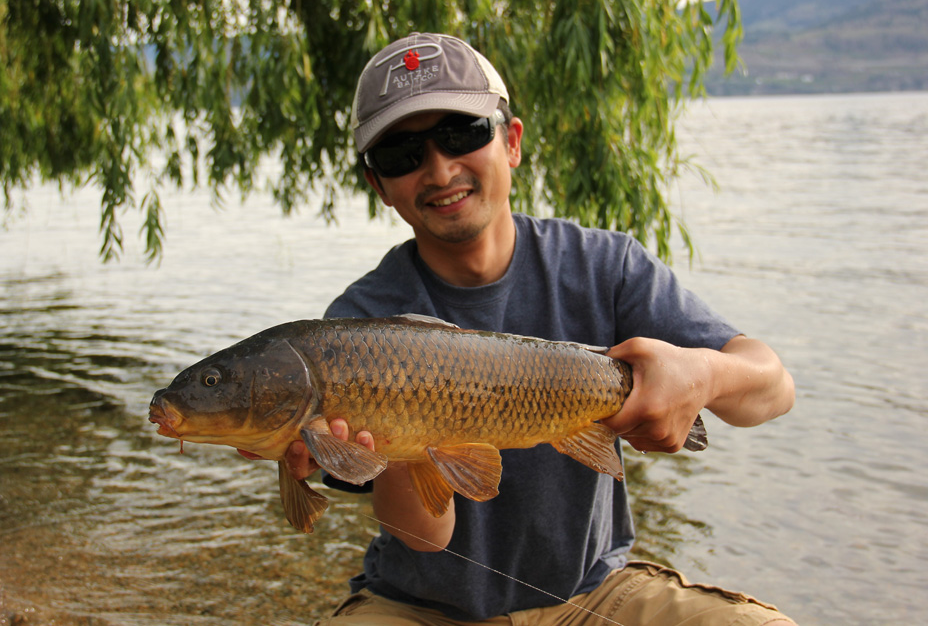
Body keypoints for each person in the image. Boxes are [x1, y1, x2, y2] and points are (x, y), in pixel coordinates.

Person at [283, 32, 796, 625]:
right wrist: (398, 443)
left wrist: (702, 374)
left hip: (597, 599)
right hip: (418, 610)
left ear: (512, 142)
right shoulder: (357, 324)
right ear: (379, 184)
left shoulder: (606, 266)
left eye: (461, 133)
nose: (440, 169)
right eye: (402, 154)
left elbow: (773, 389)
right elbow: (424, 537)